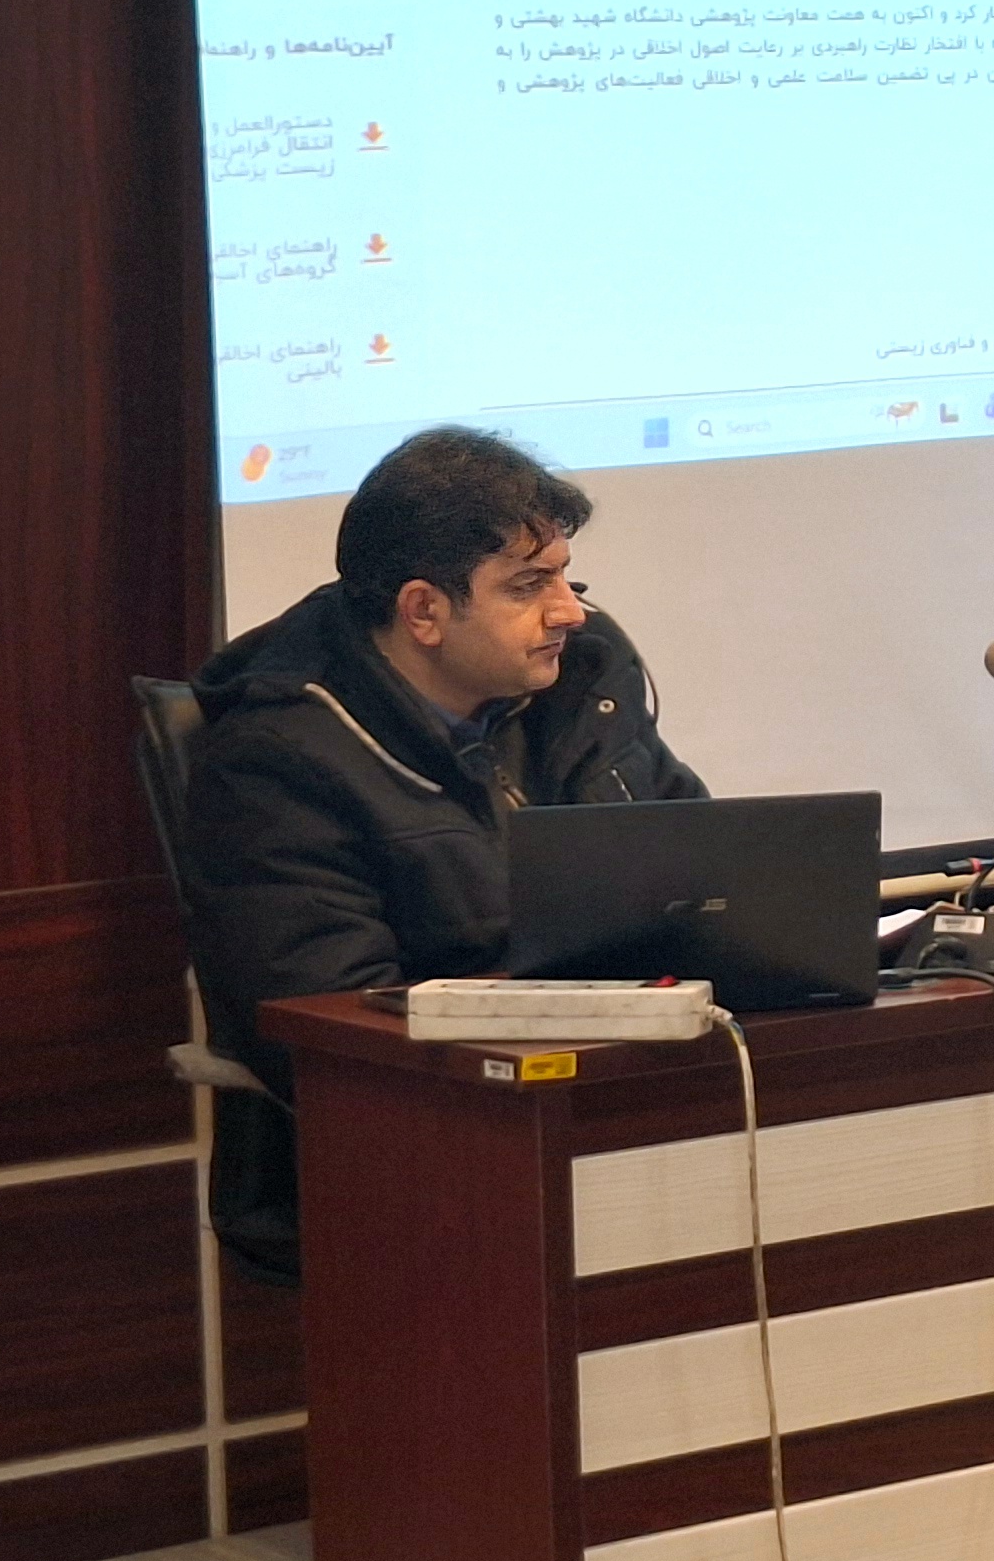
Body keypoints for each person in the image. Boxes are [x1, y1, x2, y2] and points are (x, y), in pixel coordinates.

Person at [179, 426, 704, 1104]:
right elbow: (330, 1033)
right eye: (529, 585)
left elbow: (704, 888)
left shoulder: (584, 683)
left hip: (632, 1085)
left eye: (564, 576)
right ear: (423, 611)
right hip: (449, 1124)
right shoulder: (276, 764)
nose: (570, 612)